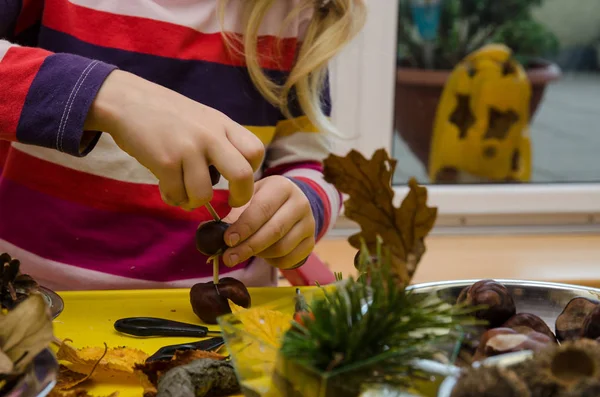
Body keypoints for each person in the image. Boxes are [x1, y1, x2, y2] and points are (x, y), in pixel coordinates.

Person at [0, 0, 366, 290]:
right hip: (34, 304)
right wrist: (106, 95)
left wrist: (304, 202)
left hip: (223, 326)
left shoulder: (294, 14)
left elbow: (309, 163)